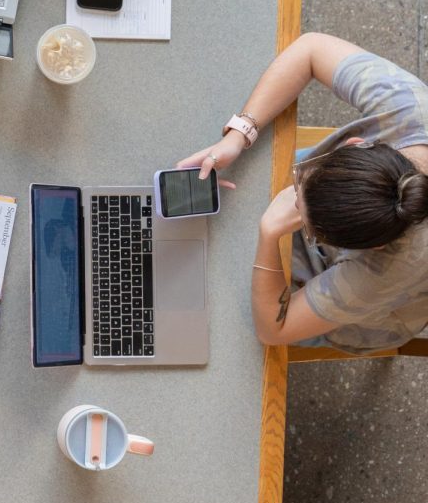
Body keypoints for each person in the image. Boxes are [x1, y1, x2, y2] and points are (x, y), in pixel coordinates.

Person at [177, 33, 428, 353]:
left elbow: (274, 329)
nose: (291, 199)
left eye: (309, 229)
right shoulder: (409, 107)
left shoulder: (384, 273)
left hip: (376, 308)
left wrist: (269, 236)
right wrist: (240, 134)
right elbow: (310, 48)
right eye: (302, 181)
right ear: (357, 145)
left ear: (375, 246)